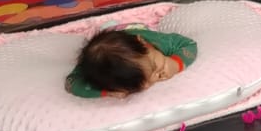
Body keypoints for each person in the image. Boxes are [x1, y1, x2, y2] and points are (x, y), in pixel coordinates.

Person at [66, 27, 196, 98]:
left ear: (145, 44)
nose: (146, 86)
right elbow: (72, 82)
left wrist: (175, 62)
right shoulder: (96, 71)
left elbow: (189, 44)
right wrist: (106, 92)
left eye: (155, 67)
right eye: (137, 87)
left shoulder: (156, 42)